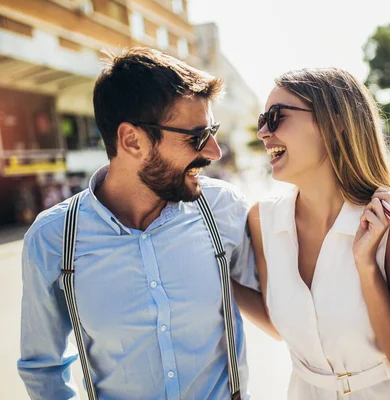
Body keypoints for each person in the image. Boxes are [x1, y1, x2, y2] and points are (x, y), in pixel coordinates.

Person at [17, 47, 258, 400]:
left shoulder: (224, 209)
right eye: (196, 137)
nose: (213, 152)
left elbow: (285, 311)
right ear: (132, 140)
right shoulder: (53, 239)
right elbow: (43, 369)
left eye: (212, 131)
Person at [234, 68, 390, 399]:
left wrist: (366, 268)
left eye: (276, 117)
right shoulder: (262, 219)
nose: (263, 132)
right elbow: (280, 324)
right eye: (263, 119)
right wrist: (215, 272)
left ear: (334, 123)